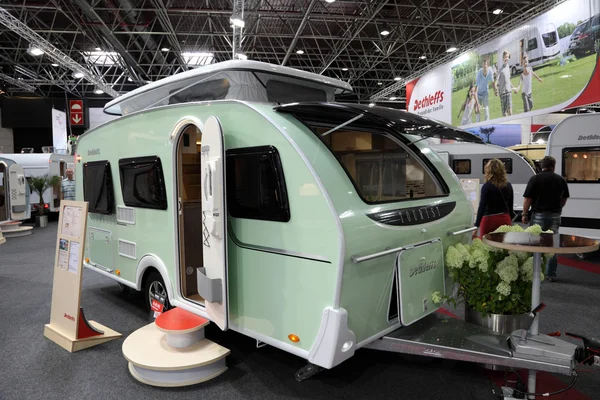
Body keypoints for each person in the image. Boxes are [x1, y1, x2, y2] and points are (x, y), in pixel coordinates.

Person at [522, 156, 570, 281]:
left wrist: (524, 214)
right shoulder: (561, 180)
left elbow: (528, 199)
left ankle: (535, 271)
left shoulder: (535, 179)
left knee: (535, 243)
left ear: (542, 166)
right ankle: (550, 274)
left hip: (538, 214)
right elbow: (564, 198)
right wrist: (558, 207)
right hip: (555, 215)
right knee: (552, 244)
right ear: (553, 166)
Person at [475, 159, 514, 239]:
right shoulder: (508, 185)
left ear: (488, 171)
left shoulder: (486, 186)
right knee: (504, 246)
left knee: (487, 246)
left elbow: (482, 206)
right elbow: (510, 206)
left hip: (489, 220)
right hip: (504, 219)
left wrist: (476, 225)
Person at [495, 50, 518, 117]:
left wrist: (514, 88)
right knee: (504, 113)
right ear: (503, 58)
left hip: (509, 92)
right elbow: (496, 81)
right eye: (505, 57)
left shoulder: (508, 67)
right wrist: (496, 89)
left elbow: (508, 80)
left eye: (507, 57)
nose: (506, 58)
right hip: (503, 93)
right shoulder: (500, 70)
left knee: (510, 110)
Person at [475, 57, 497, 122]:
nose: (484, 68)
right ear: (482, 66)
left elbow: (492, 82)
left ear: (488, 66)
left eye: (486, 66)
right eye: (483, 66)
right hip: (478, 94)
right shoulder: (479, 74)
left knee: (486, 108)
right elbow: (475, 90)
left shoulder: (490, 71)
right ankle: (477, 124)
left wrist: (495, 90)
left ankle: (487, 123)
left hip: (485, 92)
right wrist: (477, 103)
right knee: (478, 110)